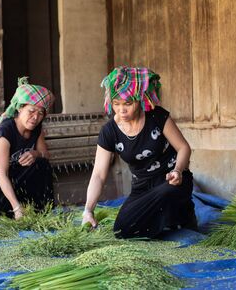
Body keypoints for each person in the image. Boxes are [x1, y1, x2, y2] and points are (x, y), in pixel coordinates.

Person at [82, 66, 197, 238]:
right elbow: (98, 174)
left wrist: (178, 170)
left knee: (167, 194)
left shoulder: (157, 117)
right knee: (122, 231)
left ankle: (183, 213)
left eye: (128, 103)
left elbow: (183, 147)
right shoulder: (109, 131)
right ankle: (170, 216)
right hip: (142, 186)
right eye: (116, 104)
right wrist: (88, 210)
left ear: (139, 99)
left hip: (171, 179)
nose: (122, 110)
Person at [0, 77, 55, 220]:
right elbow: (2, 174)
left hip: (17, 179)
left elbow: (45, 154)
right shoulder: (5, 133)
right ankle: (18, 209)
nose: (35, 117)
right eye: (31, 111)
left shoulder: (36, 129)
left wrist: (35, 153)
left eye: (40, 113)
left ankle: (43, 212)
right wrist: (17, 207)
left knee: (42, 164)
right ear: (20, 108)